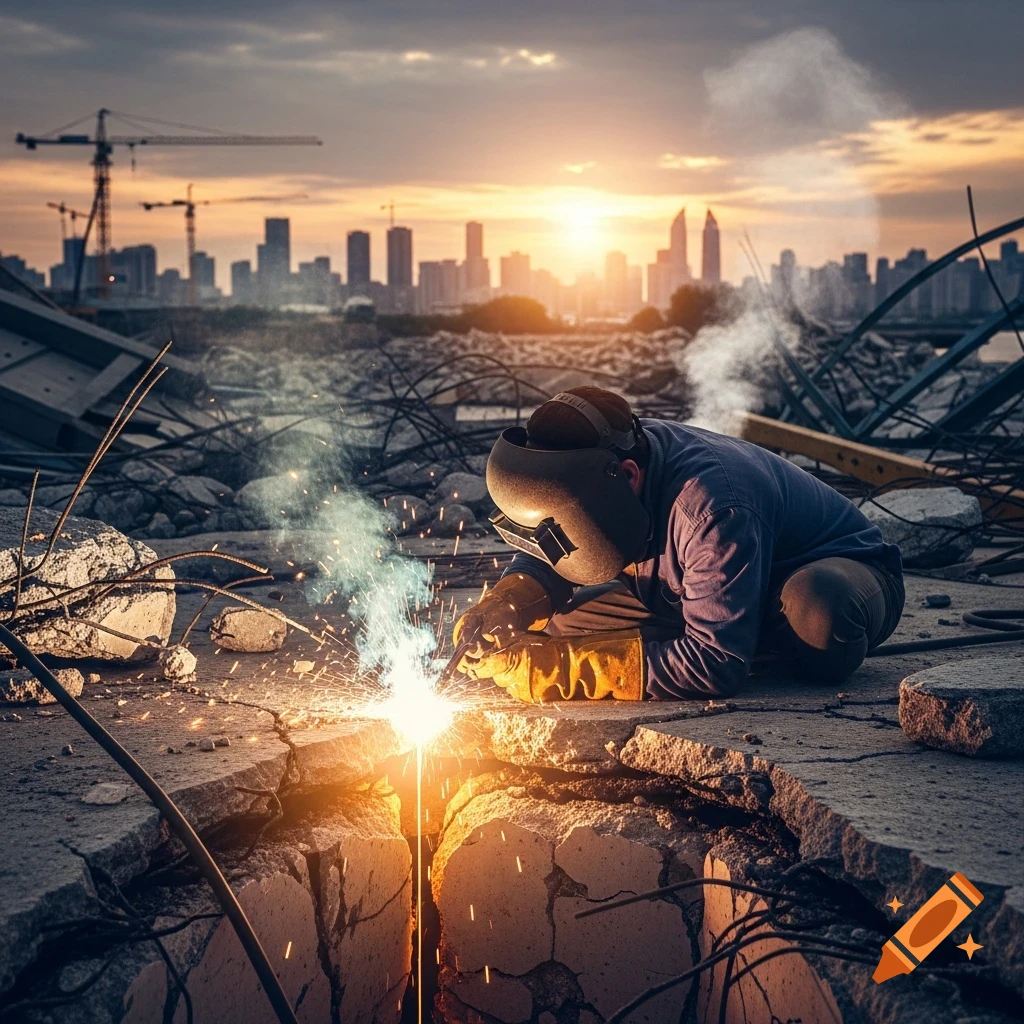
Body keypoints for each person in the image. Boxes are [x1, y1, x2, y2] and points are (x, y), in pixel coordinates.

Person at [453, 386, 904, 702]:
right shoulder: (610, 460)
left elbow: (715, 665)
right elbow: (558, 536)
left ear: (628, 476)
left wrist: (562, 671)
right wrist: (510, 600)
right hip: (695, 588)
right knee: (561, 628)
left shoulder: (713, 505)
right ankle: (723, 632)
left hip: (833, 577)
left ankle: (741, 637)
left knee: (819, 614)